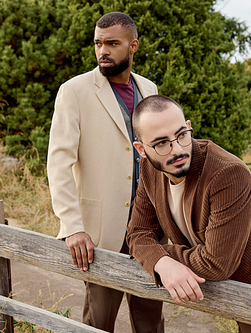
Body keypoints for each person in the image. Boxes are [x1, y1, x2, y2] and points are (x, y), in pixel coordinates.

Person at [126, 95, 251, 333]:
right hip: (236, 282)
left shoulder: (228, 173)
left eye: (182, 135)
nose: (177, 149)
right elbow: (138, 231)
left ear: (189, 127)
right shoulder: (149, 169)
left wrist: (161, 256)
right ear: (142, 150)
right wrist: (162, 264)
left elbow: (216, 263)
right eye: (161, 143)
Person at [47, 12, 164, 333]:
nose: (103, 51)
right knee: (98, 321)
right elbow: (59, 162)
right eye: (98, 43)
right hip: (101, 233)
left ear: (133, 46)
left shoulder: (148, 87)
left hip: (151, 226)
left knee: (151, 318)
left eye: (112, 43)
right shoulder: (74, 91)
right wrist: (72, 227)